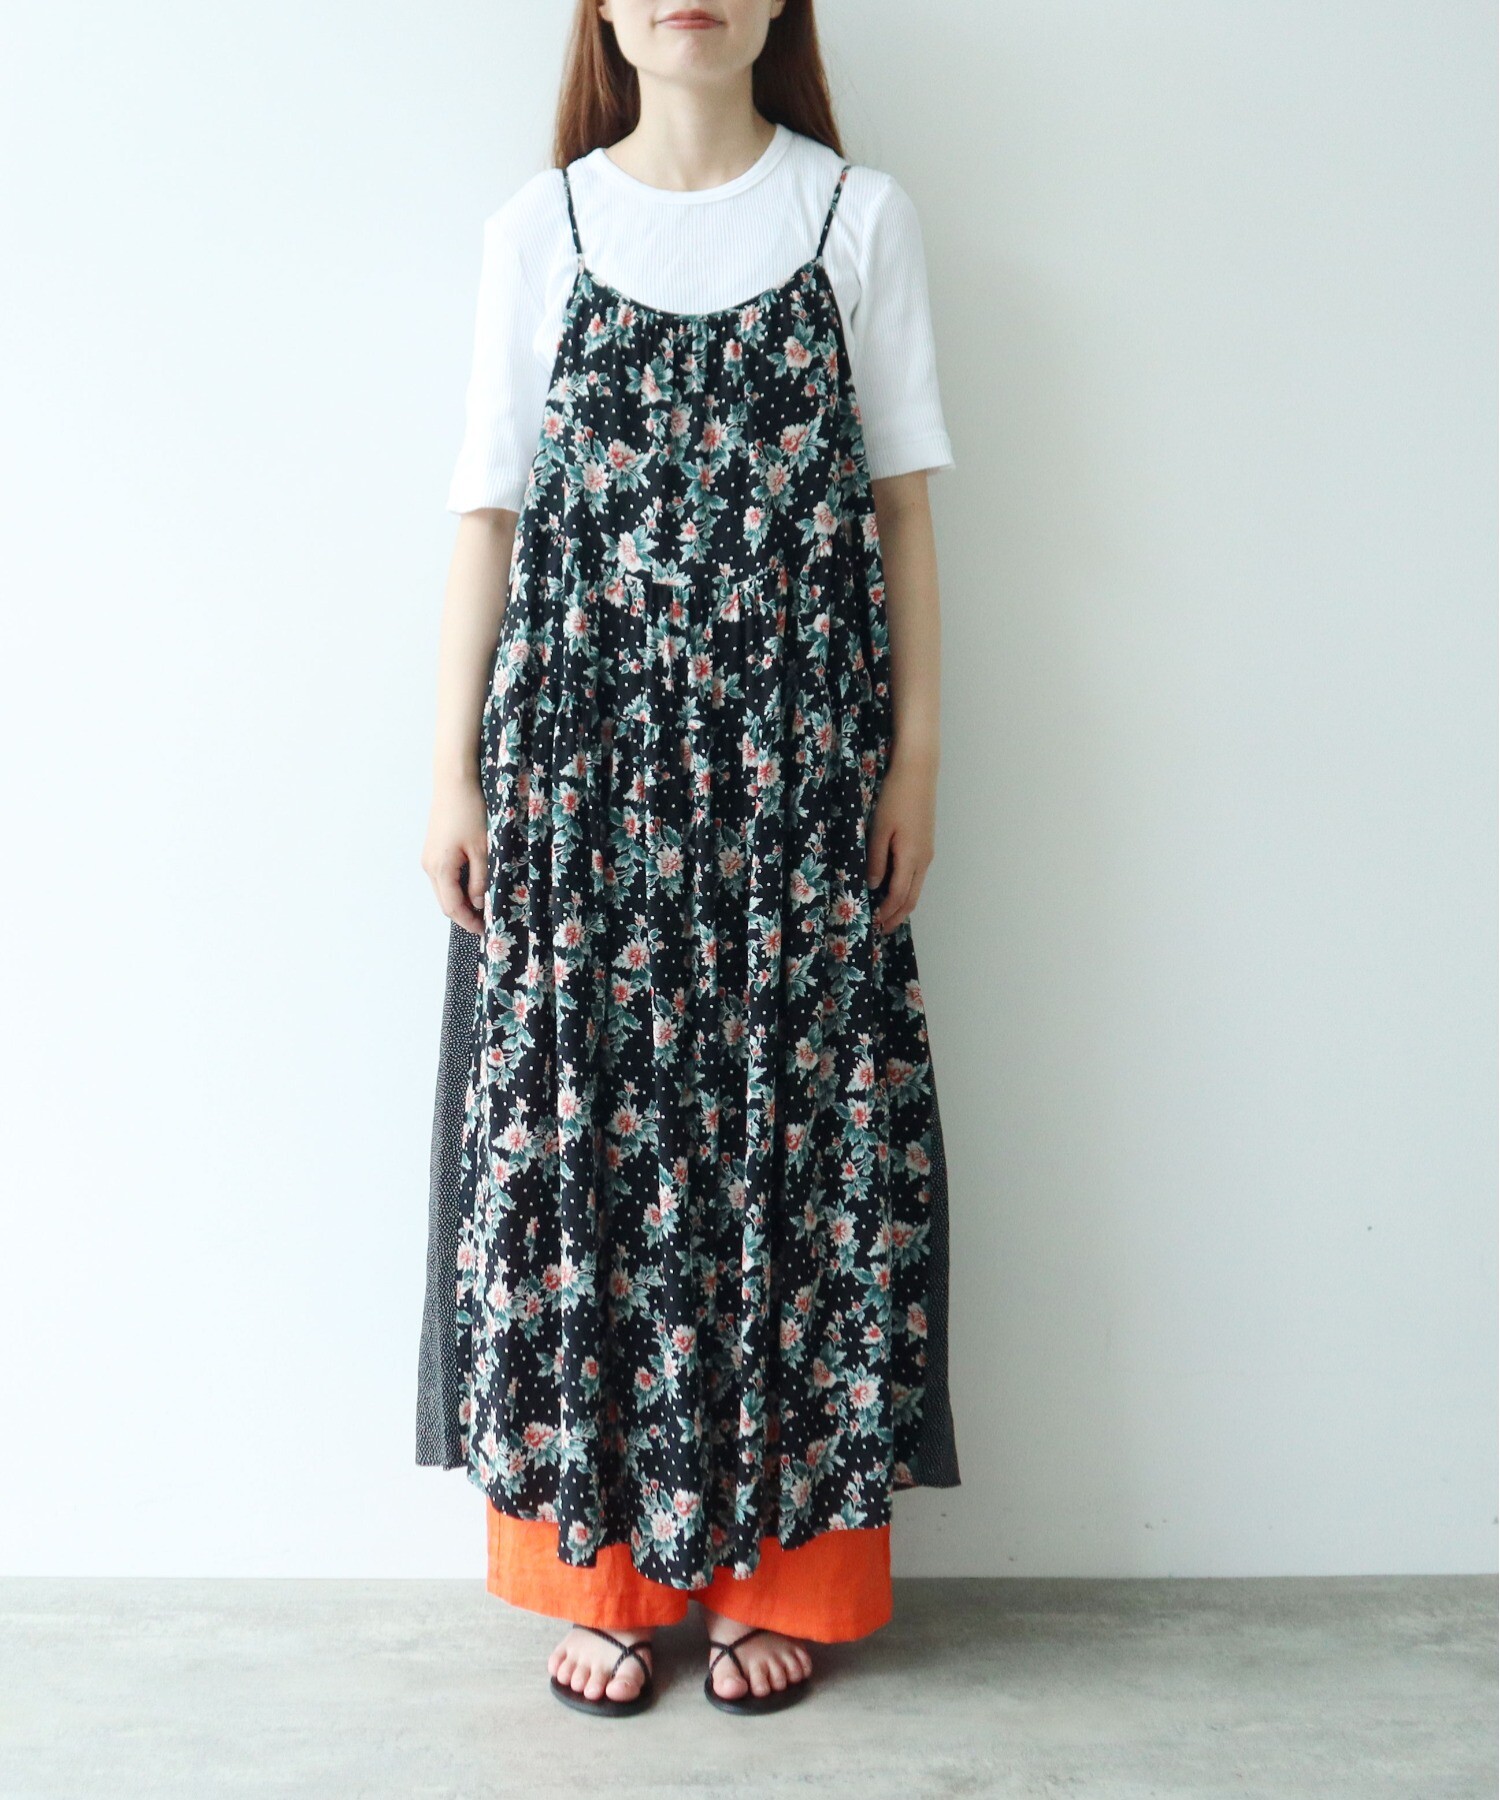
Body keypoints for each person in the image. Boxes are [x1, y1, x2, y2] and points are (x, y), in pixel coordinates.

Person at [416, 0, 960, 1717]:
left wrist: (914, 761)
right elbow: (488, 512)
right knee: (590, 1147)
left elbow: (902, 508)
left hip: (796, 784)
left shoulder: (856, 217)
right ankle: (608, 1577)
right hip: (581, 787)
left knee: (791, 1148)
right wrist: (449, 774)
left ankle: (773, 1578)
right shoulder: (542, 228)